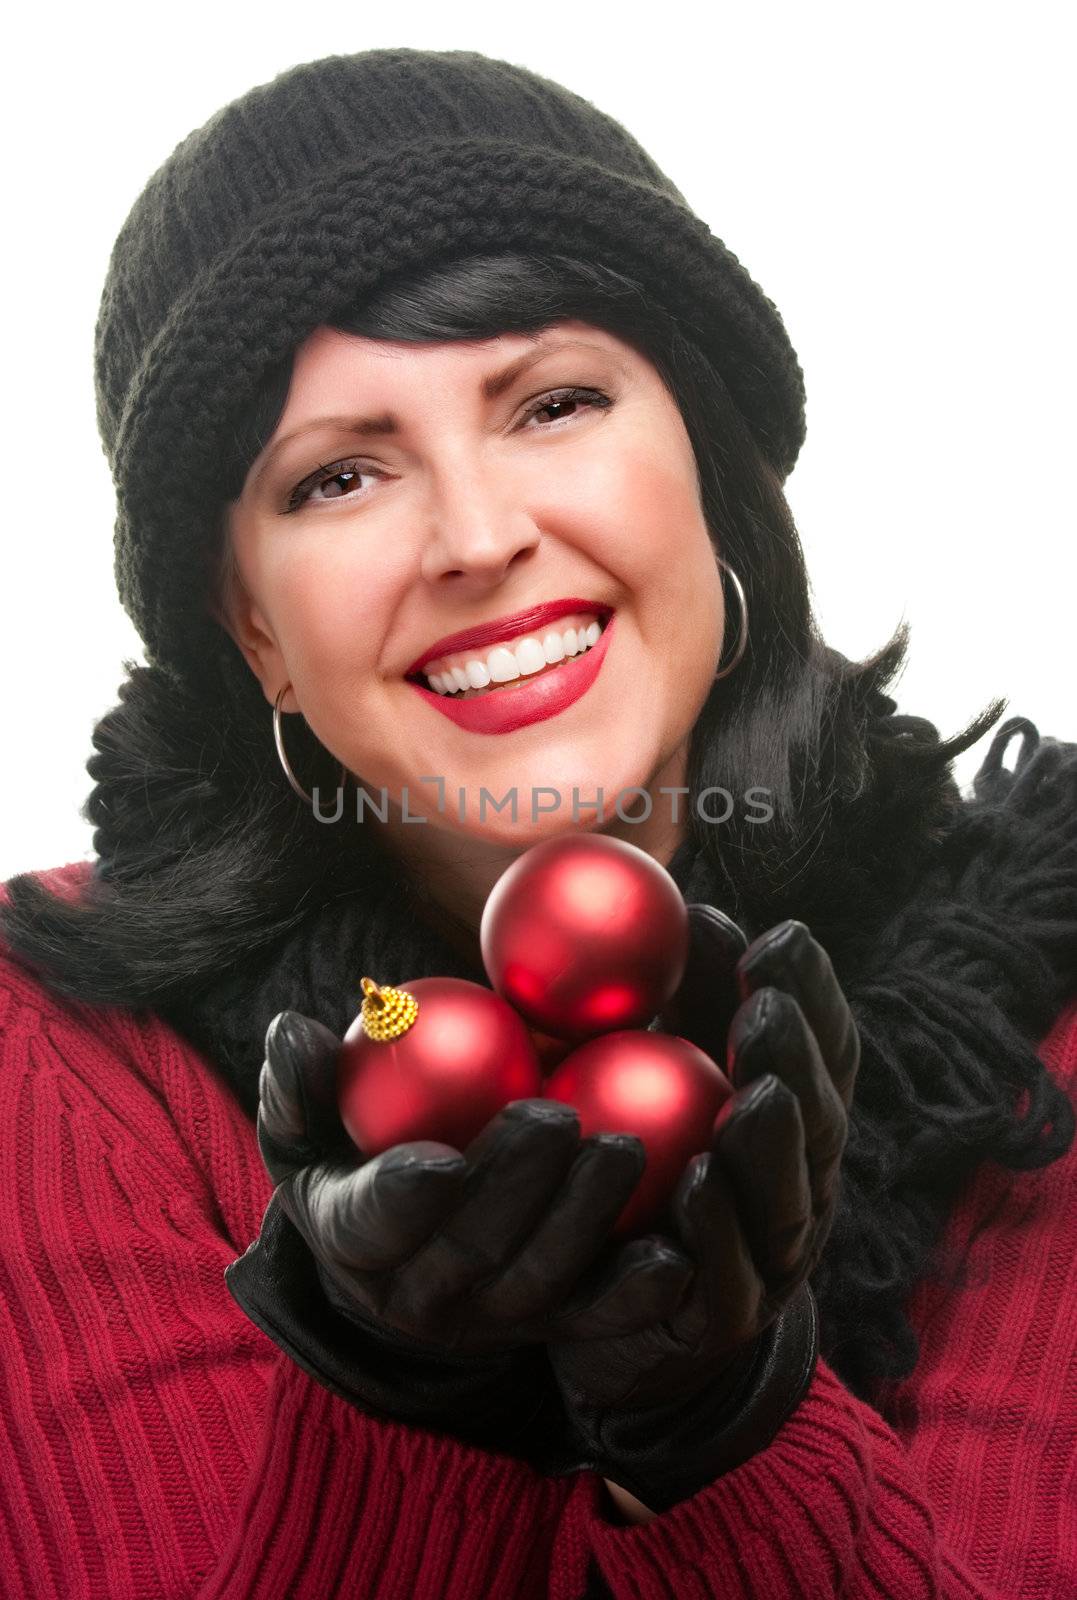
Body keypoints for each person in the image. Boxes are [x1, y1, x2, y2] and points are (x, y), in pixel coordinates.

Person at [1, 46, 1075, 1600]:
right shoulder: (61, 1054)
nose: (479, 536)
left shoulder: (1038, 1029)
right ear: (249, 626)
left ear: (708, 462)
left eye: (553, 402)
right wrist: (404, 1398)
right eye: (340, 476)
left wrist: (714, 1432)